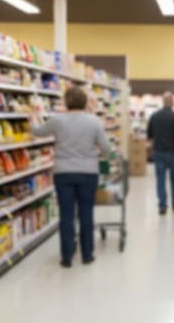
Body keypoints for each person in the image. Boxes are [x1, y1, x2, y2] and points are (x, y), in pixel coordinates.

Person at [31, 86, 111, 268]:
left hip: (63, 172)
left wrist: (31, 120)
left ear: (67, 102)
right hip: (88, 173)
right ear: (85, 102)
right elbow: (106, 148)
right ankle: (87, 255)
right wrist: (96, 154)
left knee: (66, 215)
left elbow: (38, 131)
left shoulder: (57, 120)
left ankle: (66, 257)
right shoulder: (94, 122)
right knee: (86, 213)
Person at [147, 92, 174, 215]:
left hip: (159, 152)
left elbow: (150, 136)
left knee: (160, 179)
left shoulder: (154, 116)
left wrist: (149, 150)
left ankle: (162, 206)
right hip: (173, 153)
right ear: (171, 101)